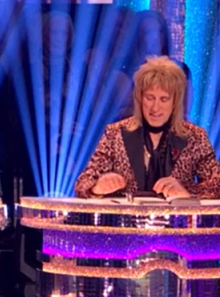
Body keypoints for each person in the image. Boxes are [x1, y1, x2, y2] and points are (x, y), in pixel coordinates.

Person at [74, 56, 220, 199]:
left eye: (164, 99)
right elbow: (82, 184)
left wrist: (186, 191)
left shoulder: (195, 137)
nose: (155, 108)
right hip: (128, 221)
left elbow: (217, 186)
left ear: (175, 102)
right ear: (139, 98)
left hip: (176, 222)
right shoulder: (115, 134)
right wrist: (97, 187)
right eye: (150, 98)